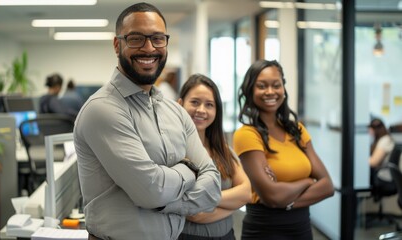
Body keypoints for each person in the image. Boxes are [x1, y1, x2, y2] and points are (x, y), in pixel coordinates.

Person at [73, 3, 221, 240]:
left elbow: (213, 187)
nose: (149, 48)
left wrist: (167, 203)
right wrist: (189, 170)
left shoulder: (176, 111)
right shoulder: (102, 109)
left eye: (158, 38)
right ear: (116, 44)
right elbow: (151, 192)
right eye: (136, 39)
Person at [232, 59, 334, 239]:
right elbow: (271, 196)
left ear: (283, 90)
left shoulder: (297, 130)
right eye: (262, 86)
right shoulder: (247, 135)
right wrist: (308, 181)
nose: (270, 92)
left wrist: (286, 201)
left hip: (302, 227)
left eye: (276, 85)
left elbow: (327, 186)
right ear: (250, 91)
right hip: (265, 229)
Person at [177, 74, 251, 240]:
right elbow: (194, 214)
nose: (201, 110)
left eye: (209, 104)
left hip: (227, 235)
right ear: (180, 104)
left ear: (216, 111)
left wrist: (204, 200)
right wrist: (234, 202)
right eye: (195, 102)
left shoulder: (222, 150)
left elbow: (246, 193)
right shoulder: (173, 152)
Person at [368, 118, 396, 194]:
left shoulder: (385, 140)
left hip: (383, 175)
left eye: (370, 130)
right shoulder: (379, 140)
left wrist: (360, 159)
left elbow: (374, 162)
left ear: (375, 130)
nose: (369, 133)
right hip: (380, 172)